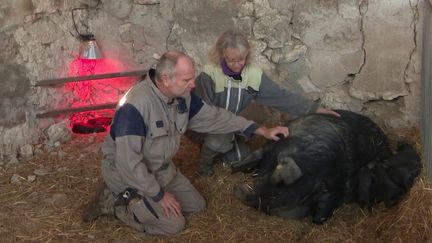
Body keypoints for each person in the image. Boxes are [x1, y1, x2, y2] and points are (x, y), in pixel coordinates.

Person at [82, 51, 289, 235]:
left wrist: (260, 129)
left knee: (197, 206)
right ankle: (116, 204)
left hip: (160, 169)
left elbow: (215, 117)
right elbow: (129, 162)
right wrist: (158, 195)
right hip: (127, 173)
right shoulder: (135, 107)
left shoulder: (182, 96)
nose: (193, 84)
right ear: (165, 79)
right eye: (187, 80)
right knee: (174, 225)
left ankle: (145, 201)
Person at [193, 29, 339, 177]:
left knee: (245, 160)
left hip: (234, 124)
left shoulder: (254, 76)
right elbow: (205, 114)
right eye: (231, 60)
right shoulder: (209, 75)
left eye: (241, 59)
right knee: (219, 141)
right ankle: (204, 164)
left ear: (247, 53)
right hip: (210, 125)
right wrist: (255, 129)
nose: (237, 65)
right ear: (221, 54)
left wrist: (314, 108)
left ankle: (225, 145)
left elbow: (282, 97)